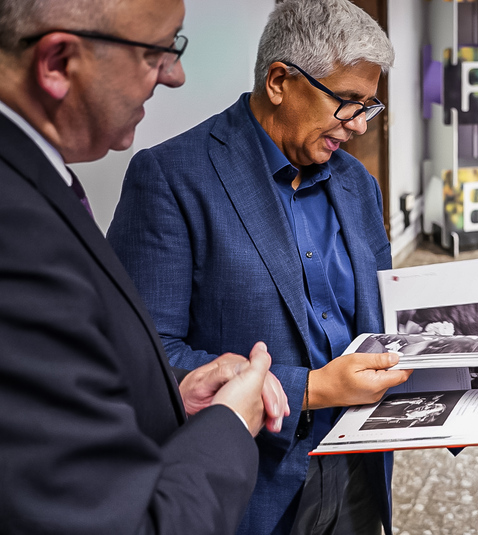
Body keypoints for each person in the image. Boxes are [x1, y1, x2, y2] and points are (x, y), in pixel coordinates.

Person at [106, 1, 412, 533]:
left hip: (361, 469)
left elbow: (390, 319)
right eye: (349, 103)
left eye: (370, 107)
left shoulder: (356, 184)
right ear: (278, 81)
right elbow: (146, 360)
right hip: (255, 487)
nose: (360, 126)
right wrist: (311, 388)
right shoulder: (171, 178)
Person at [0, 0, 291, 533]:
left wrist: (173, 396)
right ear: (58, 62)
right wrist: (231, 423)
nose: (175, 76)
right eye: (158, 52)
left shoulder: (37, 181)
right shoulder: (17, 236)